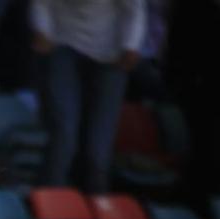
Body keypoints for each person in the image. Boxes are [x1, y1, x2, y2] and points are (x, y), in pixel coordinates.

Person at [32, 0, 145, 193]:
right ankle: (49, 204)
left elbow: (134, 9)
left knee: (98, 150)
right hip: (63, 44)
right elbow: (41, 4)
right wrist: (42, 29)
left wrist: (131, 45)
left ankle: (97, 208)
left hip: (111, 52)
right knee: (64, 133)